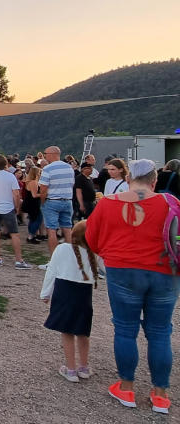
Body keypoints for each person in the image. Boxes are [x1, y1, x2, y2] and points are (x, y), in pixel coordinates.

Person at [86, 159, 180, 414]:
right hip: (165, 272)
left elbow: (91, 239)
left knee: (125, 329)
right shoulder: (171, 203)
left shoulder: (106, 203)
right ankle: (160, 395)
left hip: (123, 270)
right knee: (160, 332)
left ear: (127, 179)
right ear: (154, 180)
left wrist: (111, 252)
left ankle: (126, 387)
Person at [40, 220, 99, 383]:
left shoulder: (62, 249)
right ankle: (84, 367)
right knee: (83, 331)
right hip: (84, 294)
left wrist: (45, 294)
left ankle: (71, 369)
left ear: (73, 234)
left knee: (67, 331)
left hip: (64, 291)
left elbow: (51, 271)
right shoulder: (94, 253)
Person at [0, 155, 31, 269]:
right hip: (8, 208)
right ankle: (18, 260)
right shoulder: (10, 177)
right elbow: (16, 193)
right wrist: (17, 207)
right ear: (5, 164)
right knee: (14, 234)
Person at [39, 146, 76, 256]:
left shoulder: (48, 169)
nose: (44, 155)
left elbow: (43, 189)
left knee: (51, 230)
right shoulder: (69, 168)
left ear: (51, 154)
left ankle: (54, 259)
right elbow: (72, 184)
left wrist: (42, 202)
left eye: (45, 153)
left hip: (52, 200)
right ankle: (70, 257)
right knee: (67, 228)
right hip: (67, 200)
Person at [23, 166, 44, 244]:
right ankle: (31, 236)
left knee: (33, 219)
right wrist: (44, 194)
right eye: (39, 172)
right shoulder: (33, 182)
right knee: (38, 219)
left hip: (31, 203)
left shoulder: (30, 181)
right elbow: (34, 195)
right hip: (33, 203)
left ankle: (31, 235)